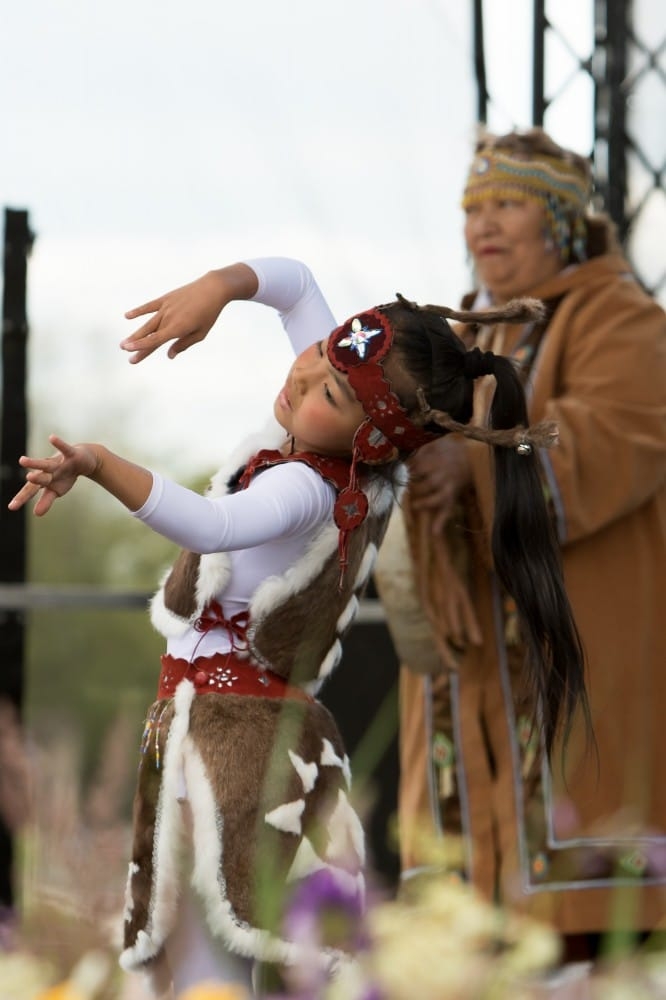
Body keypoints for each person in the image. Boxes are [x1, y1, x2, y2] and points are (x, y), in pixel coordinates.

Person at [10, 256, 587, 996]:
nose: (304, 374)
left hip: (234, 741)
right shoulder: (339, 426)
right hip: (210, 723)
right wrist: (220, 288)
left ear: (372, 436)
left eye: (329, 394)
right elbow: (298, 286)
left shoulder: (306, 487)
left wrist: (97, 462)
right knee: (204, 937)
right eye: (321, 354)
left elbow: (212, 523)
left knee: (217, 947)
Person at [373, 128, 666, 958]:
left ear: (564, 222)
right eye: (472, 207)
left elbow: (623, 433)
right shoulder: (482, 332)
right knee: (474, 935)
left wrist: (472, 461)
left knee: (592, 930)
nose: (483, 225)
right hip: (480, 660)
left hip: (580, 636)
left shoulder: (625, 316)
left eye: (507, 204)